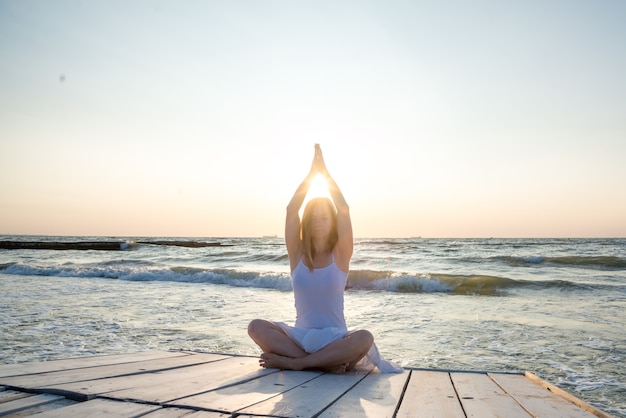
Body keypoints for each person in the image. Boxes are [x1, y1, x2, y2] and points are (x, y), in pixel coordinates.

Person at [248, 144, 401, 374]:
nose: (319, 223)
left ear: (332, 223)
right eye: (314, 218)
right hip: (301, 338)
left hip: (336, 339)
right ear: (306, 223)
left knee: (364, 338)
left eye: (324, 218)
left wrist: (326, 176)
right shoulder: (297, 254)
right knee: (256, 327)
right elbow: (291, 210)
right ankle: (323, 363)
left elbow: (344, 209)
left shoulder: (341, 254)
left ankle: (297, 363)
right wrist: (311, 176)